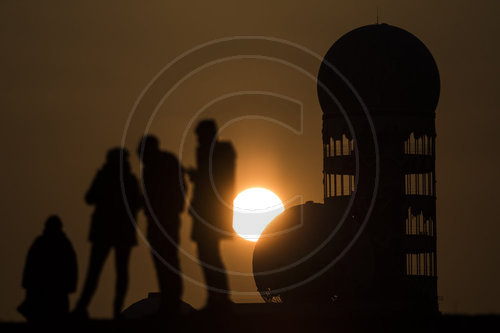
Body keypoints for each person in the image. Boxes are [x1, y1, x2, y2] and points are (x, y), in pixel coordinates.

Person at [73, 147, 142, 319]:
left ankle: (84, 307)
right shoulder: (128, 179)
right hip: (119, 232)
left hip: (107, 231)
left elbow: (90, 197)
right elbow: (139, 203)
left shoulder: (107, 177)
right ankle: (113, 310)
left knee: (97, 271)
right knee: (117, 272)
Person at [188, 119, 236, 310]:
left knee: (210, 256)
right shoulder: (220, 152)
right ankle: (216, 298)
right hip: (206, 212)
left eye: (200, 136)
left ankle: (219, 299)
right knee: (208, 256)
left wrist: (197, 176)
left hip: (211, 213)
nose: (198, 141)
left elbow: (214, 181)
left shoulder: (218, 152)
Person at [137, 135, 186, 317]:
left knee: (169, 262)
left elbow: (178, 189)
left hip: (166, 221)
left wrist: (174, 209)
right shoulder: (150, 167)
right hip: (156, 221)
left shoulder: (165, 164)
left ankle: (171, 303)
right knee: (162, 263)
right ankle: (168, 303)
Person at [18, 215, 77, 322]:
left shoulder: (41, 243)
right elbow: (72, 267)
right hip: (51, 292)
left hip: (48, 292)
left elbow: (30, 267)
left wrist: (27, 285)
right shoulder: (64, 244)